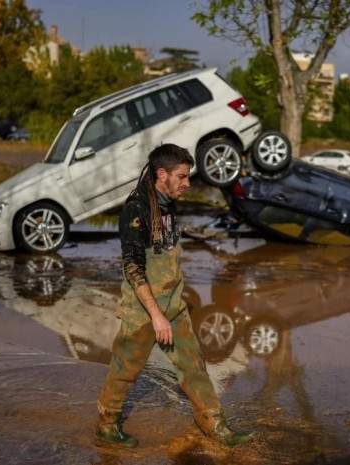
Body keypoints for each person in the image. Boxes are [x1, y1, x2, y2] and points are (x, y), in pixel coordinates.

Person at [95, 143, 255, 448]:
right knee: (125, 370)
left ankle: (213, 423)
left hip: (173, 304)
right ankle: (106, 424)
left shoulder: (168, 203)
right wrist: (156, 317)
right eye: (182, 176)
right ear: (161, 174)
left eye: (188, 176)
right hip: (143, 310)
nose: (187, 183)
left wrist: (173, 308)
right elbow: (133, 268)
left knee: (193, 365)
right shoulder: (136, 210)